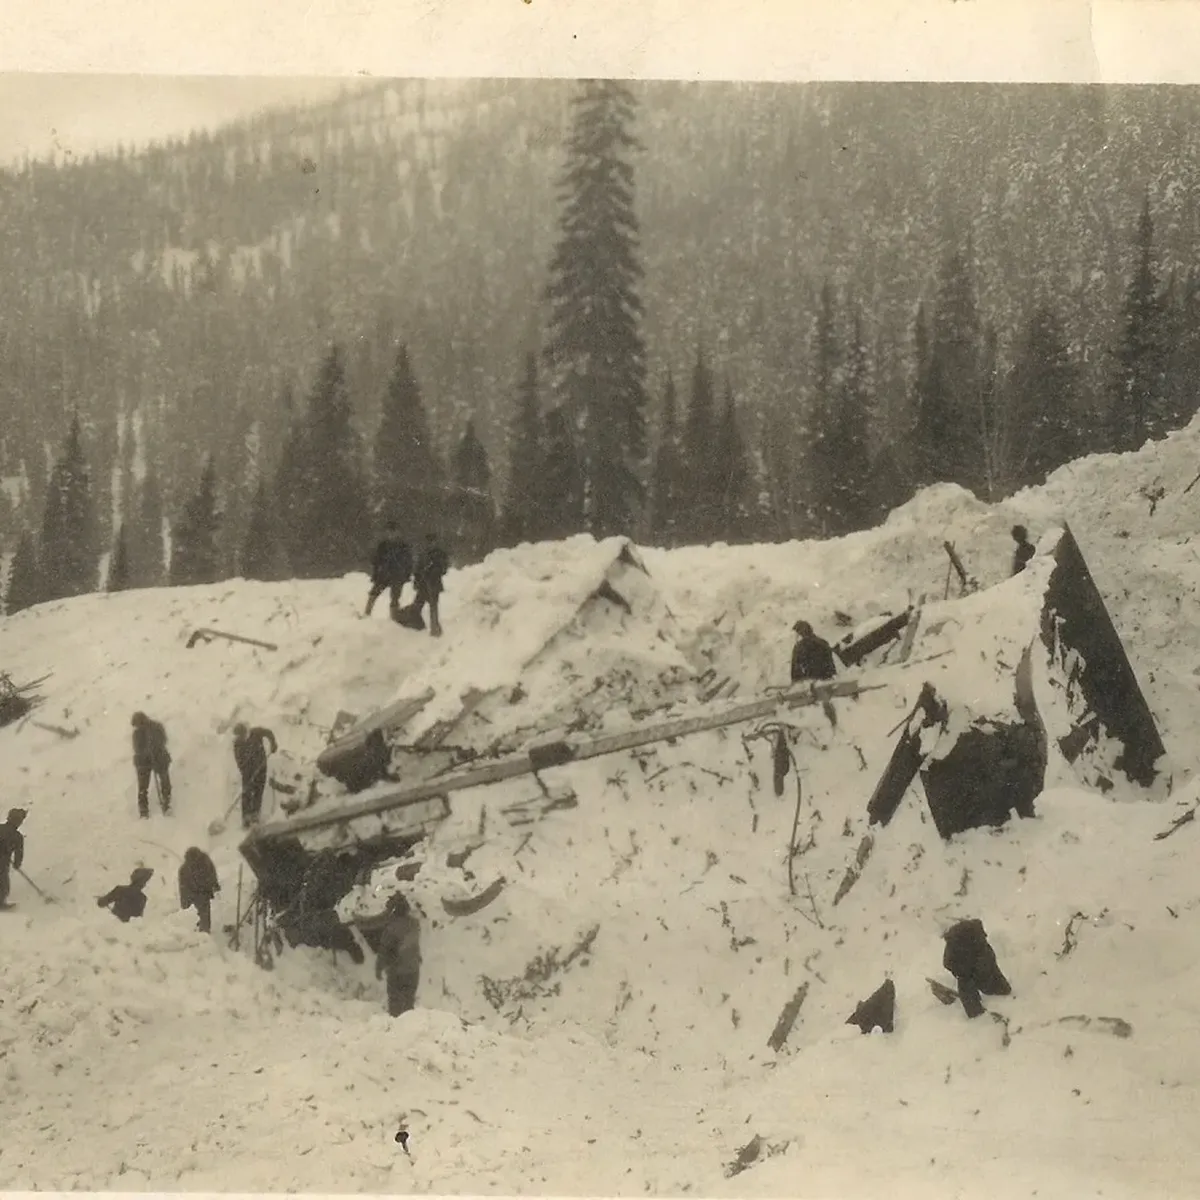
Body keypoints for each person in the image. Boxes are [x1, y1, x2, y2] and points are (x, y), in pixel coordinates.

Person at [941, 917, 1012, 1019]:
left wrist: (960, 973)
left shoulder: (955, 942)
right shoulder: (975, 933)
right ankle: (1001, 991)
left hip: (973, 964)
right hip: (982, 960)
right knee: (989, 977)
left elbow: (947, 963)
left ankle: (976, 1014)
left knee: (966, 982)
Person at [375, 893, 422, 1017]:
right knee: (408, 1001)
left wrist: (378, 969)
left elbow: (384, 950)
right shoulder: (415, 924)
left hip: (396, 971)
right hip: (413, 970)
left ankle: (396, 1028)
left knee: (395, 1003)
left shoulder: (390, 927)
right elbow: (414, 945)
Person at [233, 722, 279, 829]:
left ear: (246, 731)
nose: (242, 738)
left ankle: (255, 815)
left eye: (243, 735)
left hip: (261, 766)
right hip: (247, 771)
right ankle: (246, 818)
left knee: (259, 790)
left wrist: (273, 744)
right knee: (246, 792)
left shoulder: (256, 732)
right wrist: (244, 772)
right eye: (240, 736)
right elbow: (238, 760)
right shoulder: (237, 743)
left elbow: (269, 733)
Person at [365, 521, 414, 618]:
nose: (391, 535)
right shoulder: (383, 546)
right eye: (389, 532)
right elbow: (376, 560)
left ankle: (394, 617)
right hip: (383, 574)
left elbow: (408, 562)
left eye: (393, 532)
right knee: (373, 594)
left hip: (397, 575)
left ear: (398, 532)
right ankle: (367, 614)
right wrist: (375, 574)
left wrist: (407, 574)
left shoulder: (403, 546)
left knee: (395, 598)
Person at [131, 711, 172, 817]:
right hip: (143, 761)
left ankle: (166, 802)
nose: (137, 727)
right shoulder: (137, 734)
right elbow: (137, 749)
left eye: (138, 724)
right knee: (143, 786)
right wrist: (146, 753)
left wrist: (155, 749)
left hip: (159, 757)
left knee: (164, 780)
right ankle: (143, 809)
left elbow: (163, 740)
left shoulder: (156, 727)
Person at [409, 533, 449, 638]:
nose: (430, 544)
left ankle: (435, 630)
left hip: (434, 584)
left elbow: (444, 568)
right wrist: (416, 581)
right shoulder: (423, 554)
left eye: (432, 542)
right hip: (422, 585)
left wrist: (434, 570)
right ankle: (418, 627)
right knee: (418, 605)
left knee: (433, 607)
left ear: (435, 542)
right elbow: (417, 569)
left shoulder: (440, 554)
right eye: (428, 542)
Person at [178, 846, 220, 933]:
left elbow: (212, 874)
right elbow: (183, 888)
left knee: (201, 917)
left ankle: (203, 934)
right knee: (199, 917)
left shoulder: (204, 862)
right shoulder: (185, 869)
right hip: (198, 895)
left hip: (201, 894)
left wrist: (214, 885)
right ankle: (202, 934)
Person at [0, 808, 27, 908]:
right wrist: (17, 863)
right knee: (3, 885)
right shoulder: (17, 837)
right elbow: (19, 853)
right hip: (2, 864)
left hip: (3, 862)